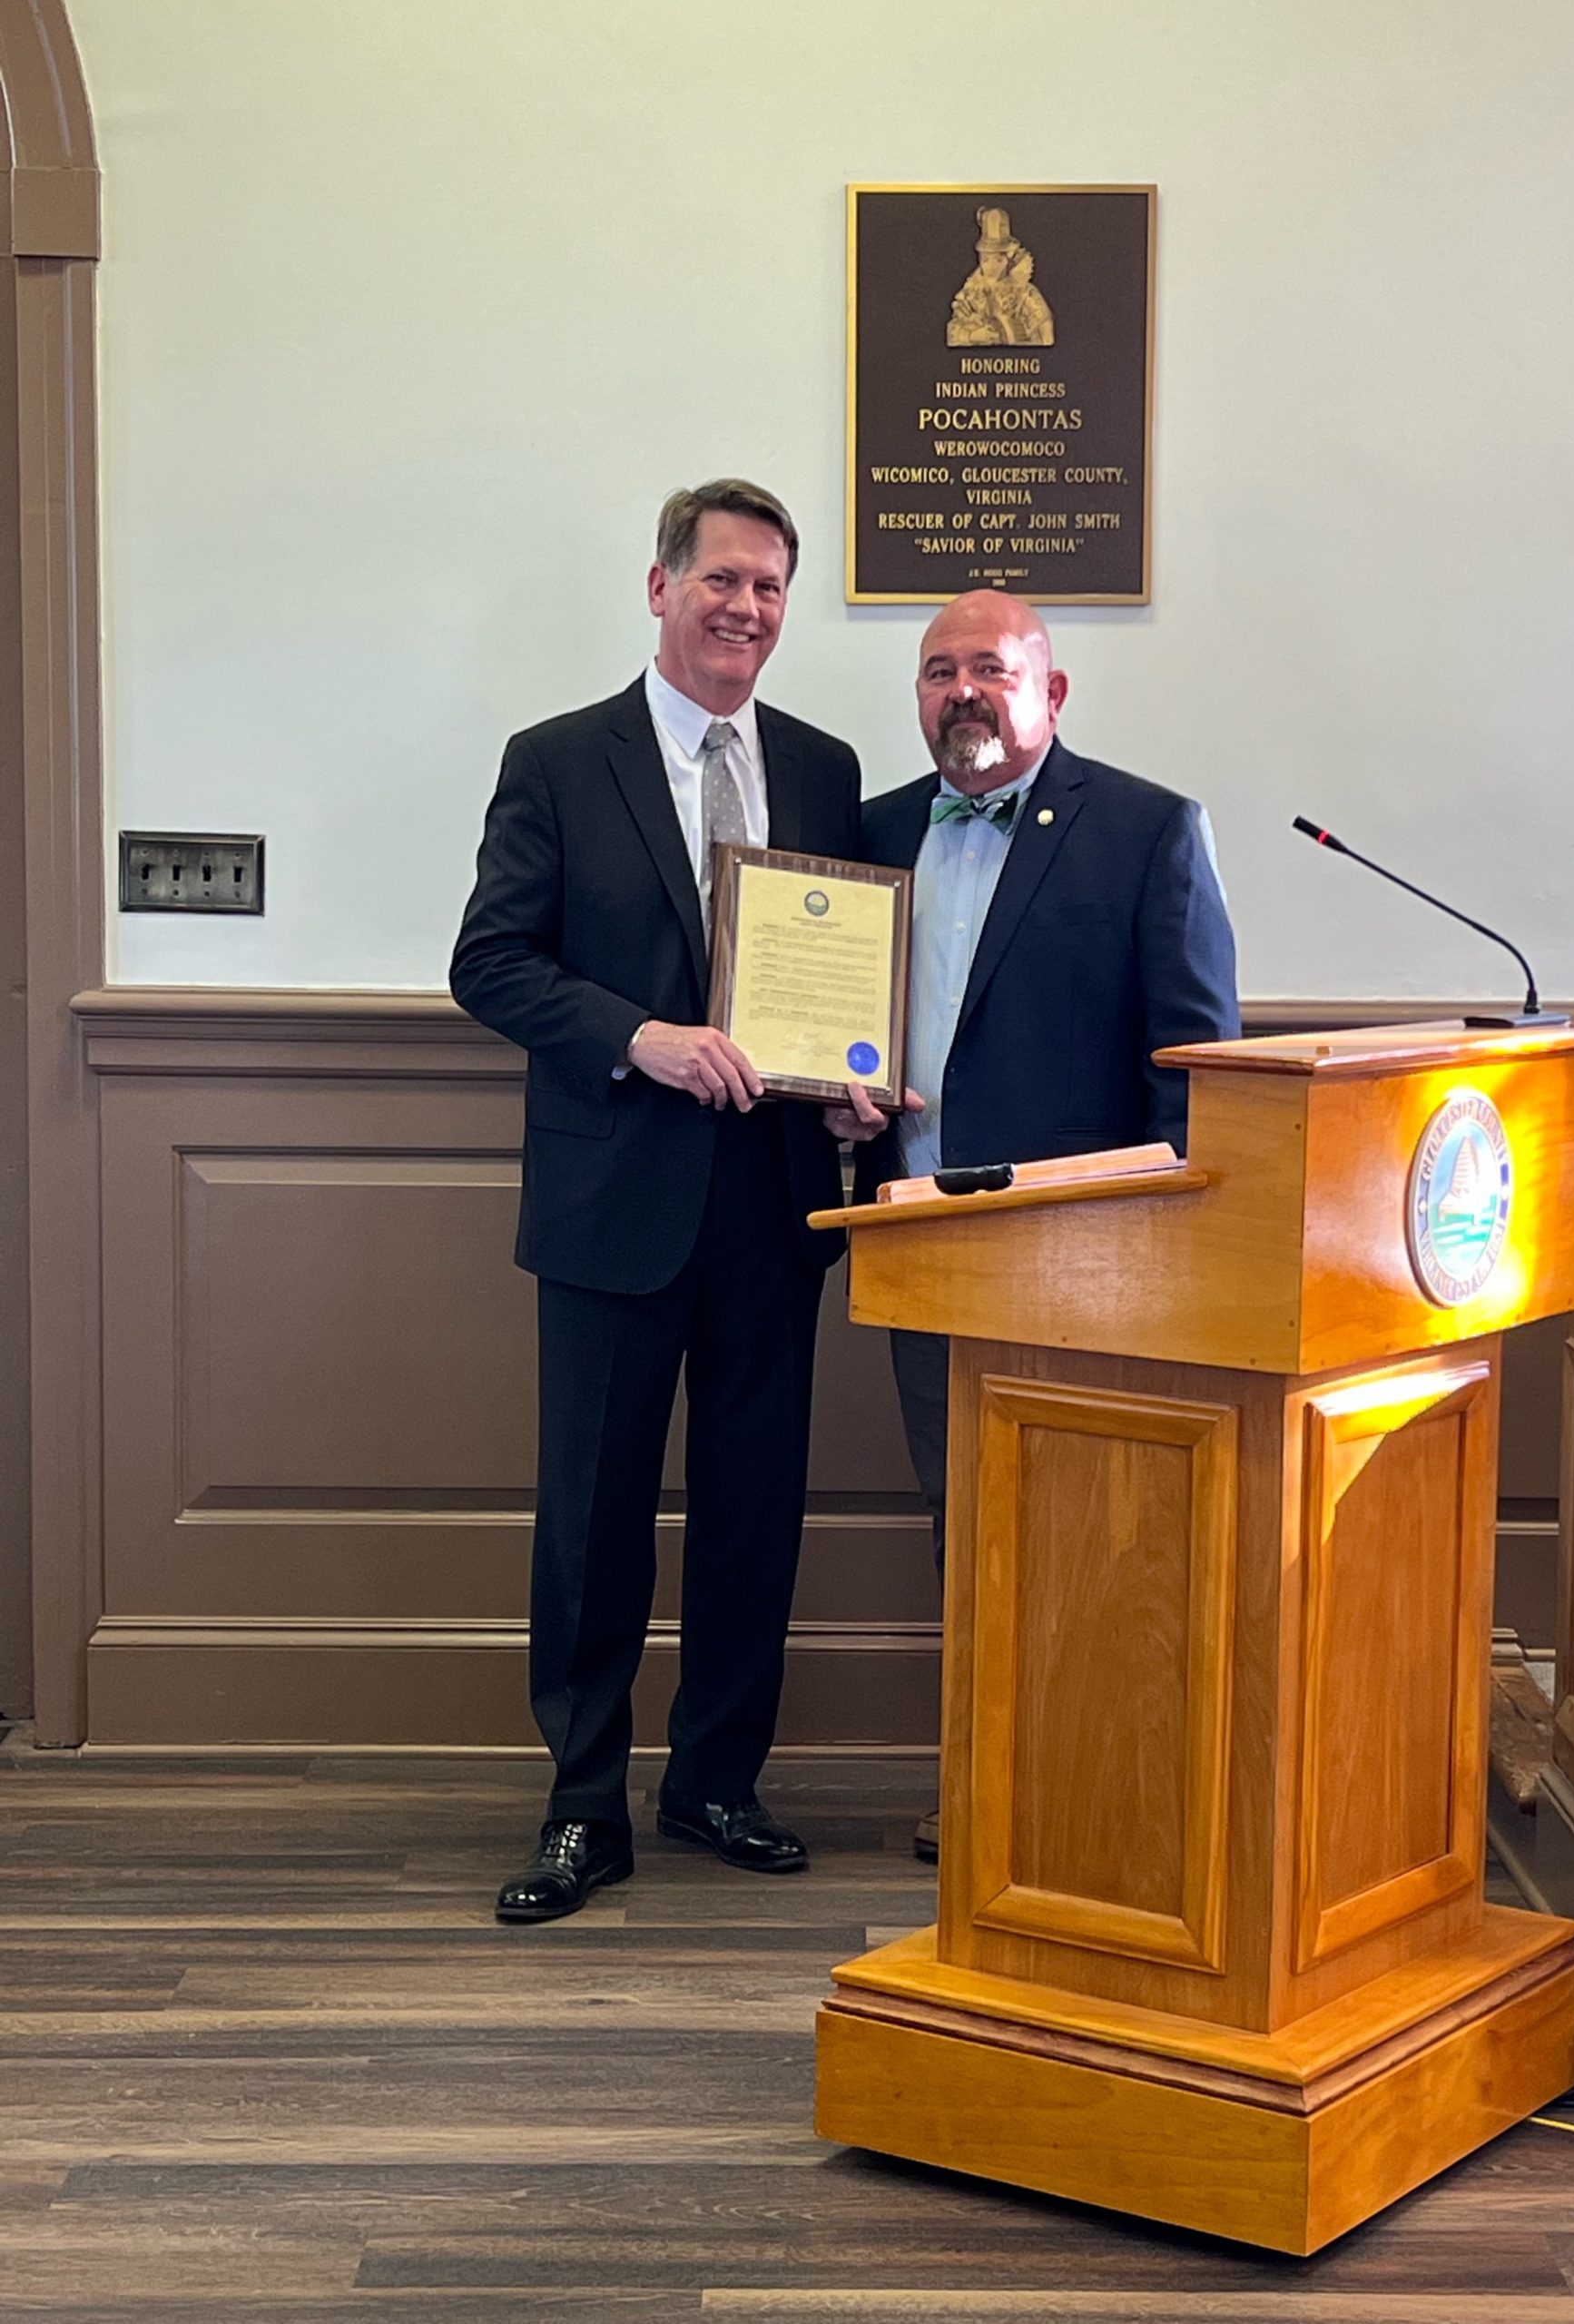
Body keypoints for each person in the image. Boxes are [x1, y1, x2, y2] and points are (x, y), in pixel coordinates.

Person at [451, 479, 860, 1922]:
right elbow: (490, 965)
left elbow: (833, 984)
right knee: (595, 1516)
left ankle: (716, 1780)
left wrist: (849, 1079)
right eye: (722, 580)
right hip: (614, 1196)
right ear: (660, 586)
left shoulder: (820, 765)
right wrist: (645, 1038)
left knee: (757, 1508)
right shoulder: (559, 760)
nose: (744, 608)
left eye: (768, 587)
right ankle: (581, 1805)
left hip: (772, 1205)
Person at [826, 589, 1239, 1859]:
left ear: (1051, 693)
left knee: (1102, 1543)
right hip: (924, 1250)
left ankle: (1110, 1795)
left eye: (992, 668)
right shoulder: (867, 836)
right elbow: (836, 1030)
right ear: (917, 695)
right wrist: (835, 1109)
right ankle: (995, 1795)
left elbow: (1196, 1072)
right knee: (972, 1535)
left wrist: (1154, 1252)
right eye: (939, 669)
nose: (965, 691)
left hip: (1089, 1262)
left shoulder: (1148, 830)